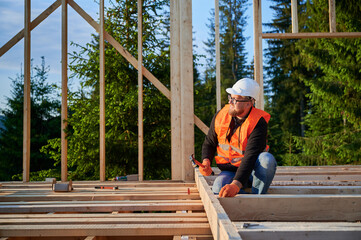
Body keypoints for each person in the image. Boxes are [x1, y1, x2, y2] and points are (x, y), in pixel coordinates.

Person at [200, 78, 277, 197]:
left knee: (267, 160)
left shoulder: (258, 122)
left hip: (253, 171)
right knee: (219, 187)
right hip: (230, 171)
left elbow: (250, 157)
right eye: (230, 97)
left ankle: (258, 199)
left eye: (235, 99)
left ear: (249, 103)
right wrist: (206, 161)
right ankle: (246, 195)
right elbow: (209, 143)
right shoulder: (221, 115)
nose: (230, 102)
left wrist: (235, 185)